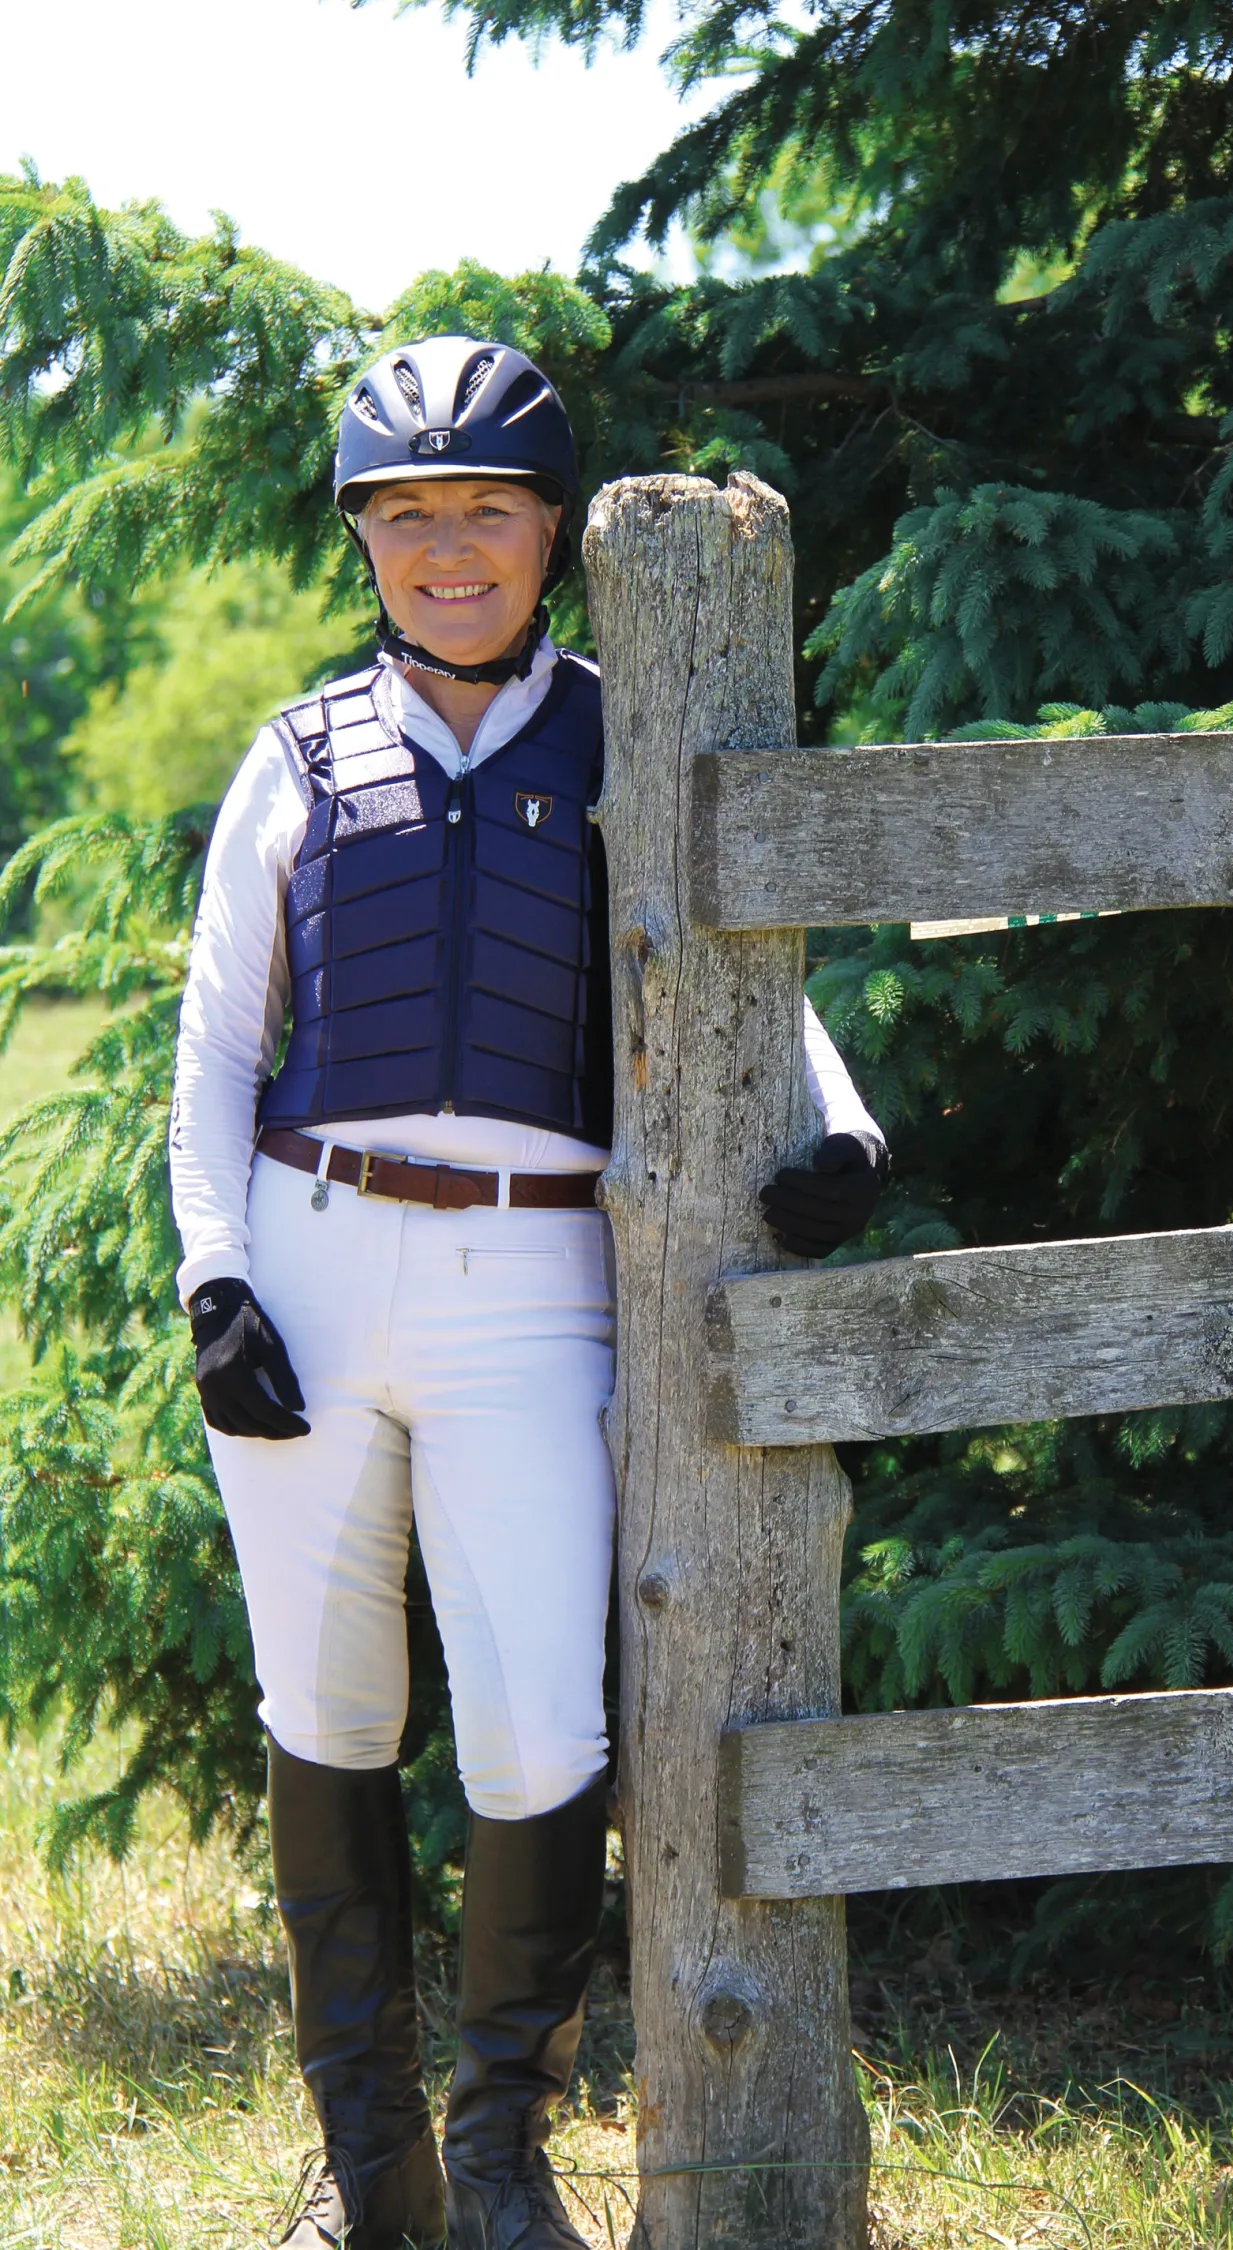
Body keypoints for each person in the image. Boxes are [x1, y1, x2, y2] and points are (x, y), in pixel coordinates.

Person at [169, 335, 888, 2250]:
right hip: (313, 1267)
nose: (447, 549)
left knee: (544, 1730)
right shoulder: (295, 757)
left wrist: (839, 1125)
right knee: (327, 1707)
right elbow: (216, 1045)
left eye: (484, 509)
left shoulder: (620, 736)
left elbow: (745, 967)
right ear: (365, 541)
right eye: (407, 515)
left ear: (551, 529)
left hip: (538, 1280)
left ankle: (500, 2159)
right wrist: (217, 1273)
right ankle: (372, 2177)